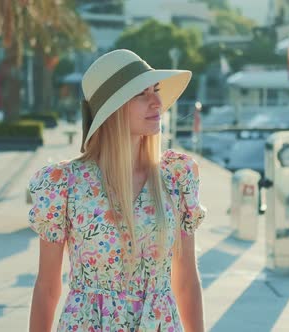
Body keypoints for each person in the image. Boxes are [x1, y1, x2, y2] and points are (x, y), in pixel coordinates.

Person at [27, 49, 207, 332]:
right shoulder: (64, 183)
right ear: (112, 109)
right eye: (141, 94)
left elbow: (186, 281)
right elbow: (48, 287)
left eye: (156, 90)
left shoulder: (176, 177)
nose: (157, 102)